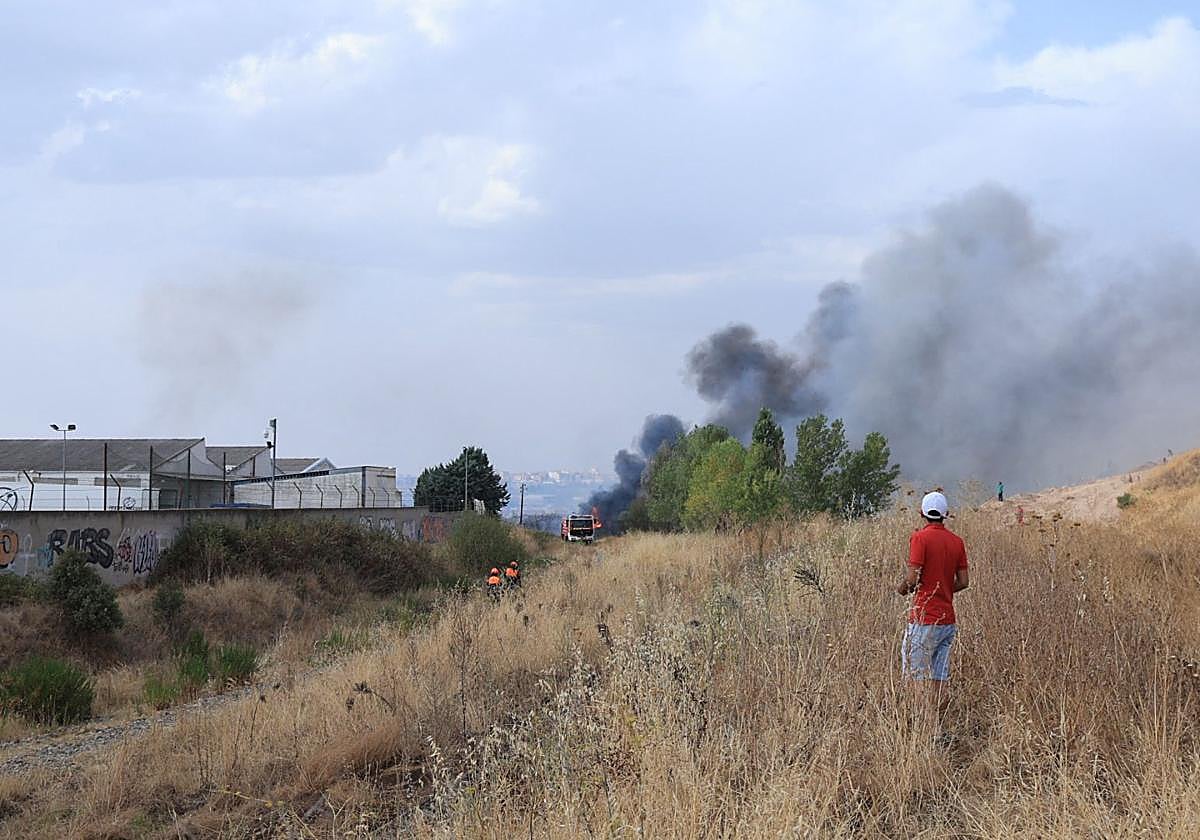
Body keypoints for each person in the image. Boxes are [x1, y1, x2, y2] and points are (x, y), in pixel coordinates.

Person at [896, 490, 969, 740]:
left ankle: (926, 730)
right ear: (945, 515)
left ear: (922, 513)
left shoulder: (919, 539)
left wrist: (904, 589)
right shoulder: (957, 542)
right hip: (947, 620)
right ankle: (937, 727)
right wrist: (945, 589)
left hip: (924, 618)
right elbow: (964, 581)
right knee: (938, 676)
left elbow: (913, 577)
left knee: (915, 675)